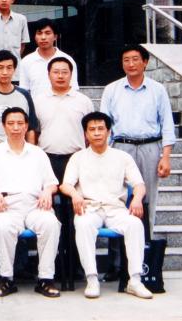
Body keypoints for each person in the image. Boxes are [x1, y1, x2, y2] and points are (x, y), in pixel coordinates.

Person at [61, 111, 153, 300]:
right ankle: (92, 279)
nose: (96, 133)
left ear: (109, 132)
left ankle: (135, 280)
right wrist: (75, 195)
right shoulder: (78, 158)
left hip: (116, 209)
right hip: (89, 208)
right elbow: (65, 185)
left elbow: (139, 184)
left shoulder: (122, 157)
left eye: (100, 129)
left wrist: (137, 199)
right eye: (92, 129)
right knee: (83, 224)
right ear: (86, 134)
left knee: (135, 224)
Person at [0, 107, 61, 298]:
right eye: (11, 123)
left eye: (20, 123)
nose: (15, 127)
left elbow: (52, 183)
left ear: (26, 126)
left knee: (50, 223)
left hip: (36, 205)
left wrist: (48, 191)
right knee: (3, 227)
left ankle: (45, 279)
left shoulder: (38, 153)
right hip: (6, 206)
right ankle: (7, 279)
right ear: (4, 126)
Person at [99, 44, 175, 228]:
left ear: (145, 62)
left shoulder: (158, 90)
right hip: (121, 148)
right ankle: (121, 242)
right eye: (126, 60)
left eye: (135, 59)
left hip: (150, 148)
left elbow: (167, 124)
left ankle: (146, 239)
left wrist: (166, 157)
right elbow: (104, 125)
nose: (131, 64)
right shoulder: (111, 89)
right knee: (119, 195)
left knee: (147, 196)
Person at [34, 57, 93, 182]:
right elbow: (34, 131)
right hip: (46, 158)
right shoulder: (38, 101)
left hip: (77, 158)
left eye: (65, 72)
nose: (60, 76)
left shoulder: (84, 101)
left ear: (71, 74)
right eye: (56, 72)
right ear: (48, 75)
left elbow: (90, 132)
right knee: (49, 193)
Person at [20, 19, 78, 92]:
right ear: (35, 37)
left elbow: (73, 88)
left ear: (55, 37)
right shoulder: (26, 61)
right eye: (39, 33)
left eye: (47, 33)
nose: (43, 37)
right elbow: (24, 91)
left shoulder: (67, 60)